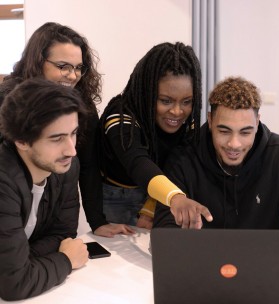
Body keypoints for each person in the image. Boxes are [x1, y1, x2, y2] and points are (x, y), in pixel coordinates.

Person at [153, 76, 279, 265]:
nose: (234, 144)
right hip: (203, 265)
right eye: (224, 131)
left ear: (258, 122)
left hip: (268, 264)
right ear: (210, 121)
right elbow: (164, 230)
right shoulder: (183, 157)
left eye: (245, 132)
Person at [0, 22, 133, 237]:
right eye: (63, 66)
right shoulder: (8, 100)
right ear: (38, 62)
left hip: (48, 217)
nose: (73, 75)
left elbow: (90, 164)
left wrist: (97, 221)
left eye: (79, 68)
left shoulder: (82, 105)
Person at [99, 42, 212, 230]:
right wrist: (175, 198)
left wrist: (151, 208)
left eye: (187, 102)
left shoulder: (187, 122)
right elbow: (138, 163)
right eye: (165, 101)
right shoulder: (120, 116)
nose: (177, 111)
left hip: (165, 195)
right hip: (118, 199)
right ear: (147, 92)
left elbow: (176, 166)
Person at [0, 79, 89, 300]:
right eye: (57, 138)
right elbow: (15, 285)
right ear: (22, 141)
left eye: (73, 133)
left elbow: (63, 234)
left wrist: (24, 261)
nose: (71, 150)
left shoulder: (66, 168)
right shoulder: (3, 181)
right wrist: (66, 260)